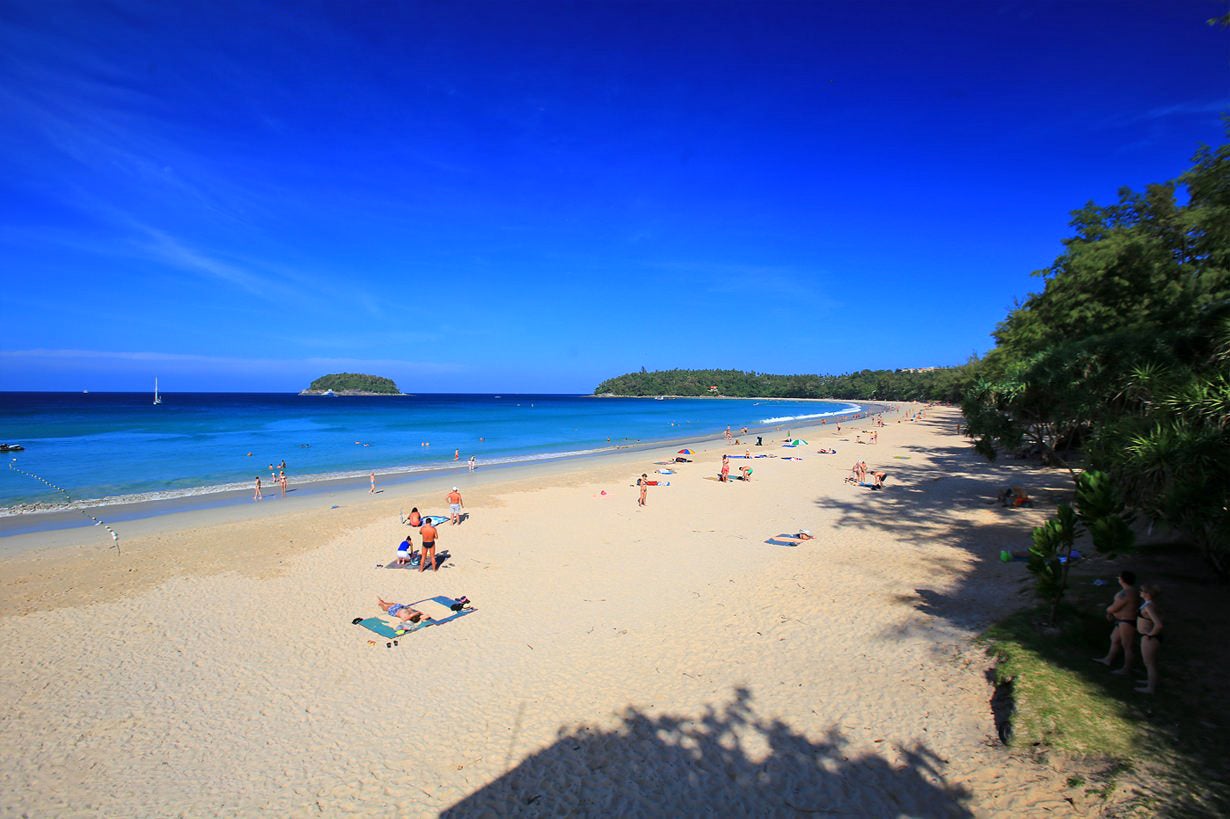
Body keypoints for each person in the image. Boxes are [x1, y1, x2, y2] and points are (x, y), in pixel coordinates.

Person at [1093, 570, 1139, 675]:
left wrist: (1109, 611)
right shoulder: (1131, 591)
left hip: (1127, 622)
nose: (1118, 579)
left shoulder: (1126, 593)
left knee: (1127, 645)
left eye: (1119, 577)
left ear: (1122, 579)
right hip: (1122, 620)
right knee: (1114, 639)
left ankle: (1127, 668)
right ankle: (1108, 659)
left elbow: (1115, 607)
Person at [1135, 584, 1164, 694]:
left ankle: (1150, 688)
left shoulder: (1149, 606)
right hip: (1150, 636)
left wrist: (1150, 635)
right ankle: (1150, 681)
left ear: (1147, 594)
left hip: (1150, 638)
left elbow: (1159, 624)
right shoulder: (1148, 604)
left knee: (1149, 663)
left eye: (1141, 590)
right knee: (1150, 662)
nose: (1140, 592)